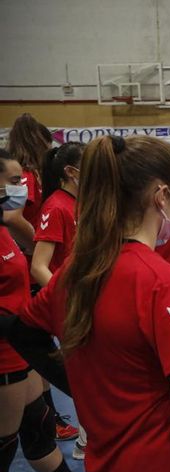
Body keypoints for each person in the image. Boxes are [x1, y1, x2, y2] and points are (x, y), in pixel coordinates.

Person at [1, 135, 170, 472]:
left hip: (109, 470)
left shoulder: (76, 272)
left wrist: (81, 386)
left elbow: (23, 333)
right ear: (161, 197)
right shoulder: (162, 282)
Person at [0, 149, 86, 472]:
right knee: (4, 448)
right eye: (13, 181)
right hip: (5, 354)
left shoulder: (5, 229)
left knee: (38, 429)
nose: (22, 187)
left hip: (22, 347)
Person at [6, 114, 77, 442]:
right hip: (35, 265)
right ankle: (46, 417)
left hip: (32, 262)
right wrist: (39, 240)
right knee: (41, 343)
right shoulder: (27, 178)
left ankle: (44, 415)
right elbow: (13, 216)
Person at [31, 142, 84, 287]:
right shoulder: (55, 207)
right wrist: (63, 298)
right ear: (71, 172)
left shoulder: (81, 203)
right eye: (90, 167)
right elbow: (38, 267)